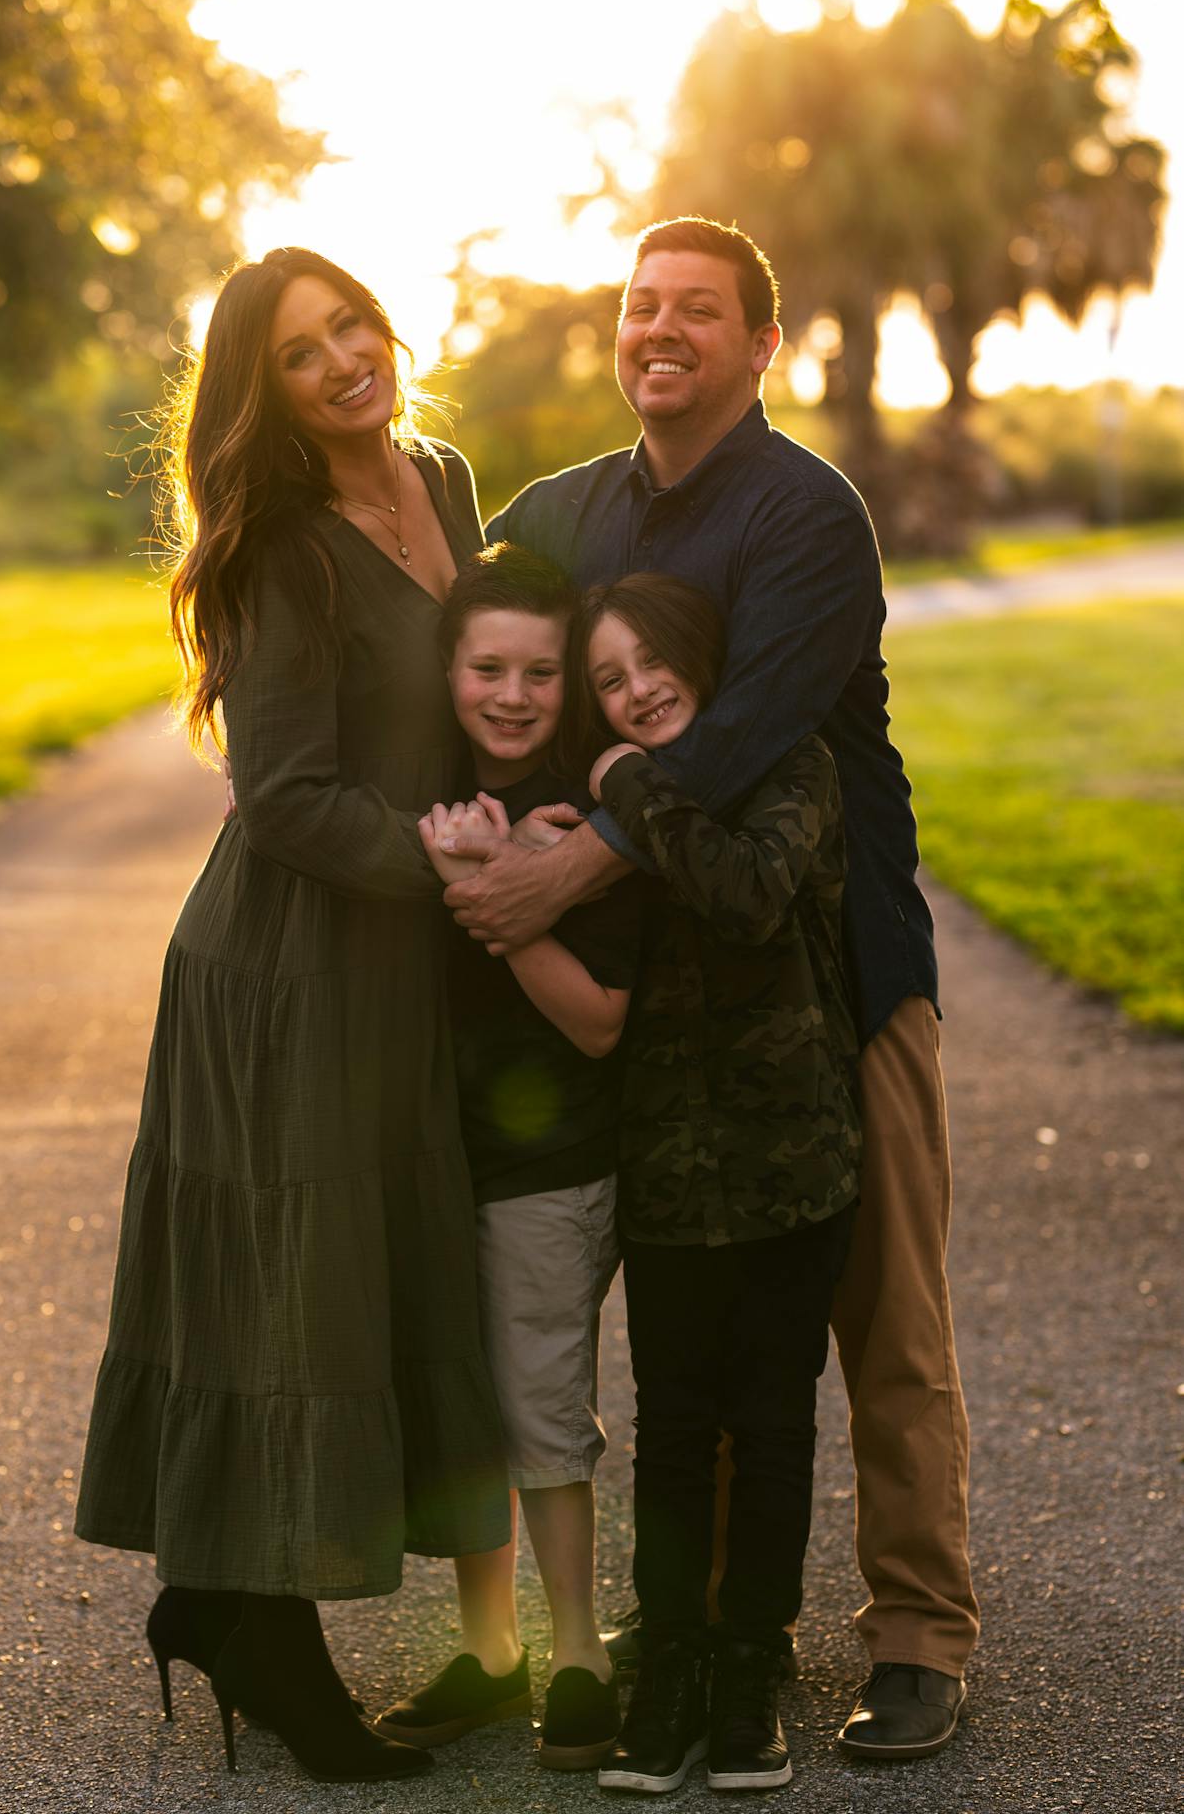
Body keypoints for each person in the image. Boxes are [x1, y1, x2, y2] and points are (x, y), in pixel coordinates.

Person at [443, 215, 979, 1761]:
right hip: (660, 1000)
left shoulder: (808, 517)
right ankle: (725, 1631)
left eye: (696, 310)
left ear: (761, 346)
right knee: (706, 1334)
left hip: (833, 970)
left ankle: (917, 1632)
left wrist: (564, 867)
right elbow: (460, 604)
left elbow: (735, 737)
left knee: (878, 1316)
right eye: (637, 306)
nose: (657, 330)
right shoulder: (566, 511)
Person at [73, 247, 511, 1782]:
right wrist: (459, 874)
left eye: (354, 327)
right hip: (289, 963)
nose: (343, 362)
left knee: (364, 1266)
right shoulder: (275, 549)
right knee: (292, 1281)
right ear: (261, 392)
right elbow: (287, 799)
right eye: (302, 353)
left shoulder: (444, 483)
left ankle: (215, 1595)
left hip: (402, 963)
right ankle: (267, 1637)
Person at [573, 571, 859, 1794]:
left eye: (650, 663)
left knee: (776, 1424)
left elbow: (746, 894)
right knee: (677, 1429)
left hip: (796, 1162)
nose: (634, 692)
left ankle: (750, 1669)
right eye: (607, 681)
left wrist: (624, 786)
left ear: (701, 657)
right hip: (670, 1171)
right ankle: (672, 1667)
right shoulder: (614, 813)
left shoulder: (792, 765)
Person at [376, 543, 638, 1771]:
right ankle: (490, 1650)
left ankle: (578, 1649)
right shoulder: (424, 792)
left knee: (540, 1405)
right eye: (488, 665)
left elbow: (595, 1018)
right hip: (438, 1157)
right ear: (449, 669)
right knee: (463, 1400)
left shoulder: (583, 816)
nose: (513, 692)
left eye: (540, 669)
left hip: (551, 1164)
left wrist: (496, 886)